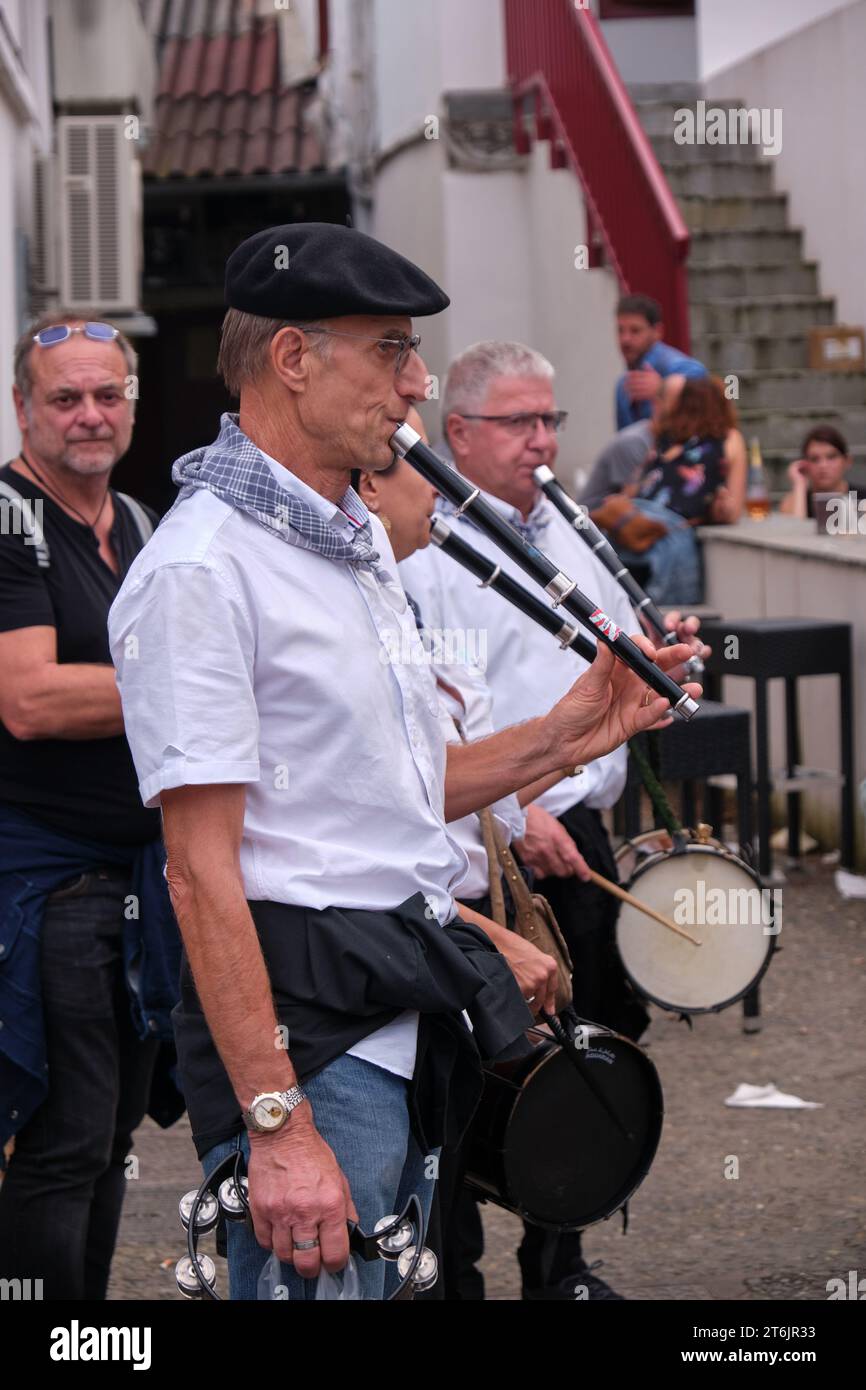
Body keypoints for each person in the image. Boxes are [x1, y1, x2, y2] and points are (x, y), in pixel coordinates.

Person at [108, 224, 696, 1302]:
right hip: (311, 1038)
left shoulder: (347, 544)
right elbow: (198, 871)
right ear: (293, 358)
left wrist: (577, 726)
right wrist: (275, 1126)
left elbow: (400, 795)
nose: (414, 381)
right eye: (389, 348)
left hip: (396, 1008)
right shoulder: (200, 567)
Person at [399, 338, 707, 1299]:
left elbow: (600, 657)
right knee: (471, 1070)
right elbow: (440, 714)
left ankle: (559, 1260)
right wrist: (518, 811)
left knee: (594, 1041)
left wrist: (655, 658)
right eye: (519, 423)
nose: (541, 442)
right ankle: (456, 1274)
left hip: (584, 827)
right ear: (459, 432)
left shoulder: (566, 527)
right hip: (494, 840)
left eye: (551, 421)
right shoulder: (426, 539)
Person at [0, 312, 183, 1301]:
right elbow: (27, 698)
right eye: (64, 397)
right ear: (23, 408)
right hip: (49, 874)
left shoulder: (146, 526)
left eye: (107, 394)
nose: (88, 414)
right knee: (65, 1135)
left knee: (110, 1136)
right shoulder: (7, 519)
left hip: (140, 873)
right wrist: (191, 682)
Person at [595, 376, 746, 605]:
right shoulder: (729, 438)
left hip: (630, 525)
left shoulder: (666, 437)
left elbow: (633, 487)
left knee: (622, 607)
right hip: (668, 533)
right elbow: (733, 511)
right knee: (667, 617)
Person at [615, 292, 706, 431]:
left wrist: (663, 389)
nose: (625, 339)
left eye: (635, 330)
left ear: (657, 331)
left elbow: (703, 384)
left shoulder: (676, 365)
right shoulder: (623, 385)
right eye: (620, 330)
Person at [779, 425, 853, 519]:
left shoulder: (863, 498)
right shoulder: (793, 501)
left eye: (831, 457)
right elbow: (793, 531)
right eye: (814, 459)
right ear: (805, 464)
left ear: (847, 461)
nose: (823, 465)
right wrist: (799, 484)